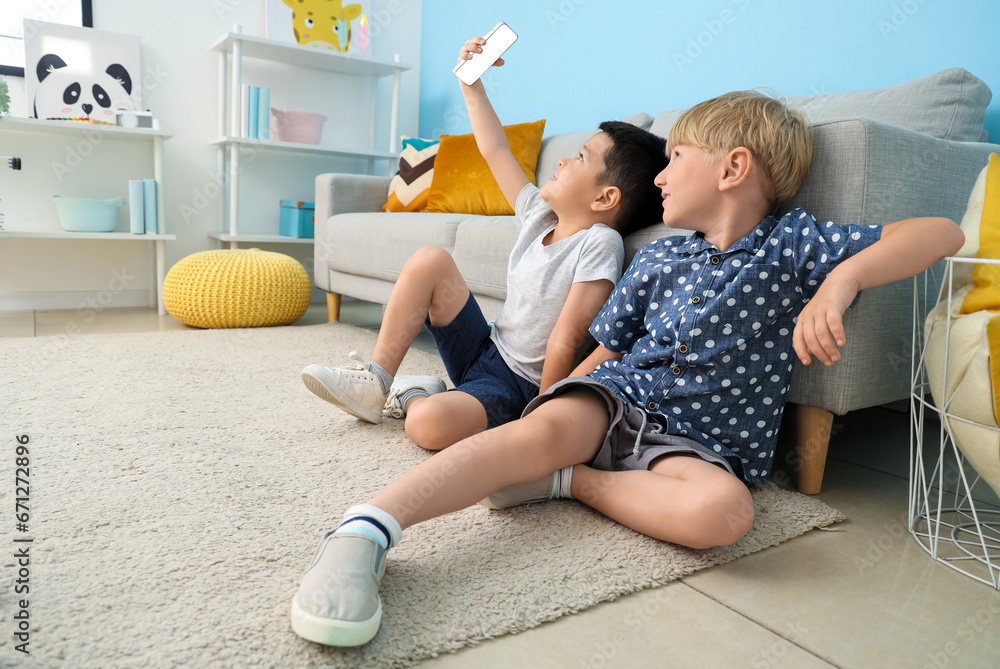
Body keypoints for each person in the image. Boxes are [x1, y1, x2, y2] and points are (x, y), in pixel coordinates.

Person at [288, 89, 965, 647]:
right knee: (529, 435)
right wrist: (545, 410)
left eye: (675, 160)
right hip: (615, 395)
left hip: (706, 445)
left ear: (733, 168)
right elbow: (607, 348)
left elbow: (941, 233)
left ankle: (567, 482)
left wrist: (839, 284)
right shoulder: (663, 258)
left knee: (725, 514)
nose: (662, 178)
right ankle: (365, 527)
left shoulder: (793, 244)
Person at [300, 35, 668, 451]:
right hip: (485, 347)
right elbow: (495, 150)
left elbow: (567, 337)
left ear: (605, 199)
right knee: (430, 260)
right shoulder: (539, 214)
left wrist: (543, 416)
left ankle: (414, 392)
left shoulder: (599, 243)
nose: (563, 160)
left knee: (427, 427)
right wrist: (471, 87)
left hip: (521, 387)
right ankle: (378, 380)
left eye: (580, 158)